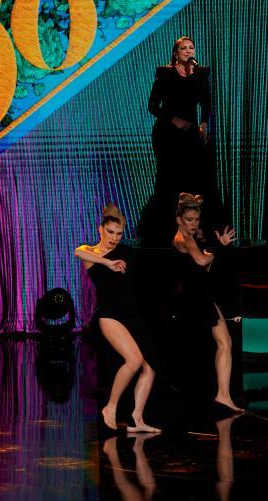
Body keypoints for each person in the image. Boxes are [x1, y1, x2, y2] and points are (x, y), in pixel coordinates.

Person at [75, 204, 160, 432]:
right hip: (109, 315)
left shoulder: (126, 252)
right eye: (110, 232)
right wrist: (107, 262)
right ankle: (110, 408)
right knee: (133, 360)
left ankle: (137, 418)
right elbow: (78, 252)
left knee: (149, 366)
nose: (114, 238)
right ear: (100, 229)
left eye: (119, 233)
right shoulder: (91, 253)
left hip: (132, 315)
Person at [139, 36, 222, 246]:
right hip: (167, 133)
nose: (188, 51)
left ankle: (195, 230)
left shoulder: (201, 73)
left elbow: (206, 102)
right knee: (169, 180)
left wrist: (203, 123)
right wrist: (173, 119)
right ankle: (164, 230)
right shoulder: (165, 73)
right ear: (175, 53)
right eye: (184, 48)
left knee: (195, 179)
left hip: (191, 134)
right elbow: (152, 106)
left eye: (191, 48)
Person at [172, 193, 242, 412]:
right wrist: (216, 250)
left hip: (201, 295)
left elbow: (204, 267)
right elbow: (203, 260)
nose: (194, 224)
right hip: (194, 298)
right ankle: (217, 395)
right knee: (219, 343)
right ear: (179, 219)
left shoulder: (191, 238)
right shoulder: (184, 239)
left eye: (196, 220)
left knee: (224, 342)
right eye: (189, 219)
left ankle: (222, 394)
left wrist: (216, 248)